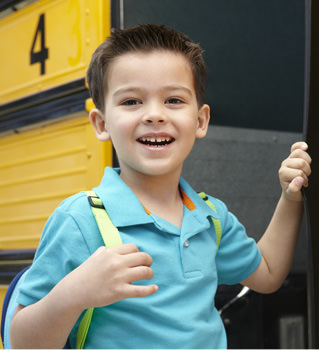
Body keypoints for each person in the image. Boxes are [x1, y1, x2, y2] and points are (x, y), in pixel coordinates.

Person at [10, 24, 311, 349]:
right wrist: (74, 293)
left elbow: (266, 273)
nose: (154, 115)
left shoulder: (211, 218)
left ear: (200, 121)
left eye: (173, 99)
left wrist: (291, 197)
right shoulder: (81, 221)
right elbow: (24, 343)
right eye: (131, 102)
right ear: (101, 124)